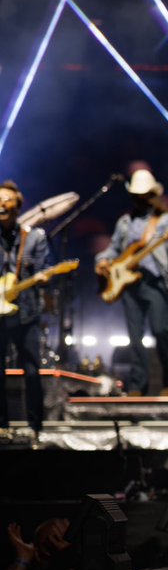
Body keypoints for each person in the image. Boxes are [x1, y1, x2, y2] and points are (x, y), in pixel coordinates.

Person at [95, 169, 168, 397]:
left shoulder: (165, 220)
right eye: (136, 195)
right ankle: (137, 386)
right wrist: (103, 259)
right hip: (129, 284)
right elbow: (114, 248)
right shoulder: (125, 221)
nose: (139, 199)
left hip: (155, 282)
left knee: (160, 331)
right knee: (134, 338)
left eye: (143, 195)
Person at [0, 181, 49, 435]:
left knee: (31, 369)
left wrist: (41, 276)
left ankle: (35, 425)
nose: (2, 204)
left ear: (18, 207)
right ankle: (1, 425)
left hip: (26, 312)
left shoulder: (33, 238)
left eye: (7, 199)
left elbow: (44, 267)